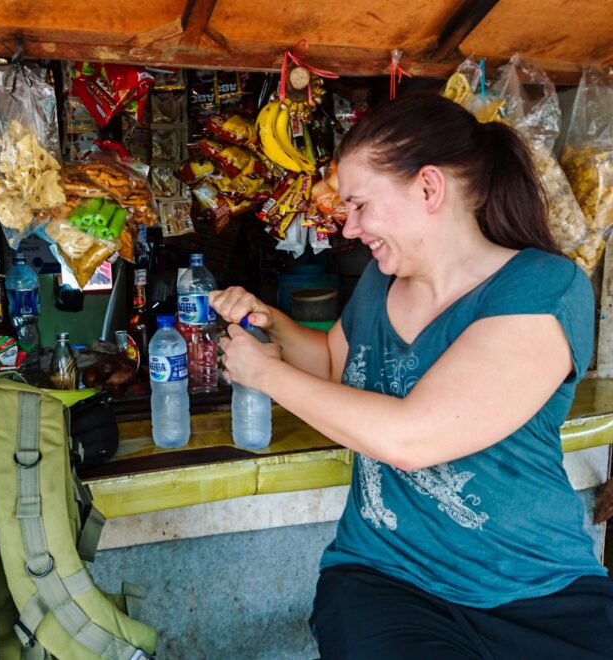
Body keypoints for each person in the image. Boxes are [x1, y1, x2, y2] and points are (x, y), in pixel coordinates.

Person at [211, 93, 613, 658]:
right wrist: (269, 322)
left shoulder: (543, 289)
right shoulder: (380, 282)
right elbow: (333, 365)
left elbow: (412, 438)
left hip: (536, 589)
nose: (348, 229)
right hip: (387, 578)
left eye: (359, 205)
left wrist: (268, 376)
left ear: (428, 187)